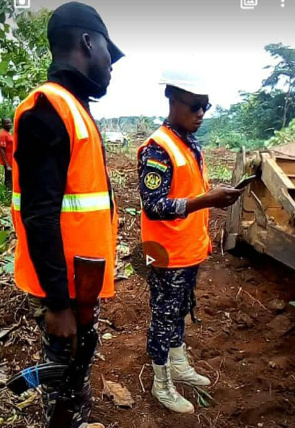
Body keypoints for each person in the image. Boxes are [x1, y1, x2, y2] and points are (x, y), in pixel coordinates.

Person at [11, 2, 123, 427]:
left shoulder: (74, 108)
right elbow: (40, 215)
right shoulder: (48, 108)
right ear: (86, 42)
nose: (110, 67)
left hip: (81, 290)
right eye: (108, 55)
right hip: (65, 291)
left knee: (75, 381)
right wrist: (58, 305)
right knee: (62, 393)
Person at [138, 69, 243, 414]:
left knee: (180, 310)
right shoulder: (157, 148)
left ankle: (178, 363)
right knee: (163, 316)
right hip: (164, 252)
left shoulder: (188, 142)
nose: (200, 114)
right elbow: (154, 206)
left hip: (187, 249)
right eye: (195, 106)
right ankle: (161, 381)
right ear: (172, 100)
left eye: (206, 107)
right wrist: (207, 200)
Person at [0, 117, 13, 190]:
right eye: (7, 122)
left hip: (12, 159)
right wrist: (7, 165)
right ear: (3, 124)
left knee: (11, 177)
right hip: (8, 161)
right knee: (9, 179)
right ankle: (8, 194)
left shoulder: (9, 133)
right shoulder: (3, 135)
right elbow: (1, 149)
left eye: (10, 122)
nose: (9, 124)